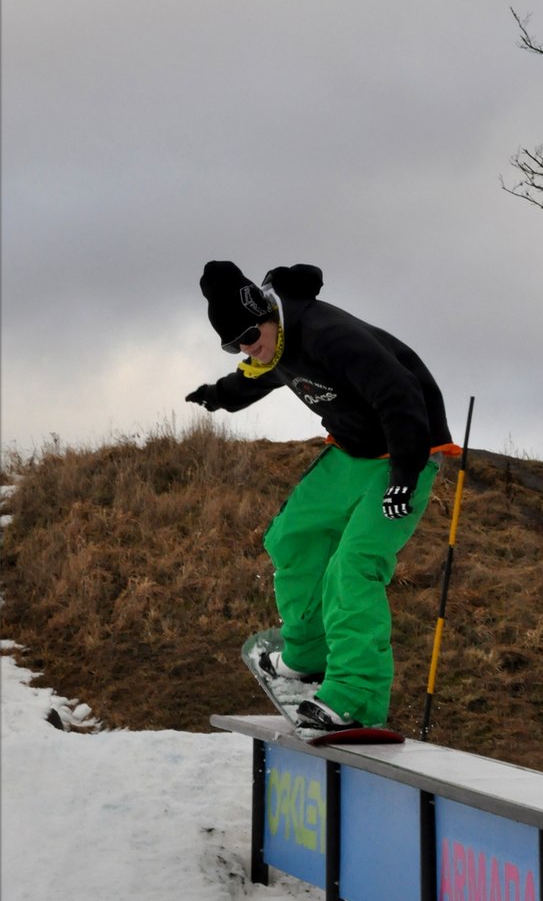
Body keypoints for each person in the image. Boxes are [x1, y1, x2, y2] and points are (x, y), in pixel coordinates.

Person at [186, 261, 457, 731]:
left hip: (407, 449)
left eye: (250, 335)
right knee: (292, 537)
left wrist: (404, 475)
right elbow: (256, 376)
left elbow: (401, 394)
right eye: (236, 344)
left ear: (267, 311)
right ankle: (308, 655)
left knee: (352, 566)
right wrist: (218, 394)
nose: (249, 348)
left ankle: (354, 696)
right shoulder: (273, 347)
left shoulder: (327, 335)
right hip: (352, 451)